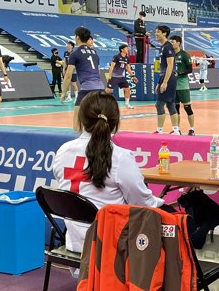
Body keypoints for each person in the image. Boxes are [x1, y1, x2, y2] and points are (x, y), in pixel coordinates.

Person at [53, 91, 164, 253]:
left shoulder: (64, 151)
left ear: (81, 119)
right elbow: (142, 203)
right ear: (115, 122)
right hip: (112, 245)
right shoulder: (120, 157)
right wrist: (163, 204)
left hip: (74, 242)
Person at [60, 27, 105, 121]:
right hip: (100, 88)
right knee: (98, 117)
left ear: (77, 37)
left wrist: (63, 93)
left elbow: (68, 75)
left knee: (77, 118)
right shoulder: (94, 53)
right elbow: (98, 71)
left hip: (87, 89)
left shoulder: (74, 54)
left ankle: (79, 131)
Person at [152, 25, 180, 134]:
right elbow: (163, 68)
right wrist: (159, 83)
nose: (156, 34)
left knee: (159, 104)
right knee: (170, 104)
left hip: (169, 78)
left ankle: (160, 130)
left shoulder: (168, 47)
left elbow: (170, 65)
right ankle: (176, 131)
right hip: (164, 77)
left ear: (164, 33)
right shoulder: (162, 47)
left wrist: (165, 82)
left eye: (158, 32)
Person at [169, 35, 195, 135]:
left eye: (173, 42)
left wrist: (179, 73)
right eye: (170, 42)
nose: (171, 43)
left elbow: (190, 69)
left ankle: (192, 129)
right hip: (173, 86)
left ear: (178, 43)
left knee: (187, 108)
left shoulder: (184, 55)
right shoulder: (170, 55)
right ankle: (177, 130)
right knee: (175, 109)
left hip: (183, 86)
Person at [105, 43, 136, 110]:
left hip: (121, 77)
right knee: (108, 91)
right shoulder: (116, 57)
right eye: (126, 48)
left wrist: (133, 76)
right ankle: (104, 104)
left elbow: (128, 68)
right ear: (122, 50)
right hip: (114, 76)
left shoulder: (127, 58)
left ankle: (127, 104)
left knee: (127, 89)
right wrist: (109, 76)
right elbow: (112, 66)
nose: (128, 49)